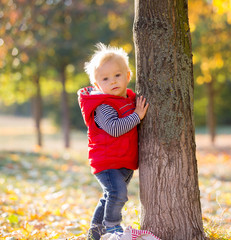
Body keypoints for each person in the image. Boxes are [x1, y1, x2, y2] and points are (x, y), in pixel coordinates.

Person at [77, 43, 149, 240]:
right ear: (97, 86)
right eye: (105, 79)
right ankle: (112, 229)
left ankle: (95, 233)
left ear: (128, 75)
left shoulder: (129, 99)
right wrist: (137, 116)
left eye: (117, 75)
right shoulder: (104, 106)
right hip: (107, 161)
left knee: (110, 197)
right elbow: (115, 129)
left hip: (124, 161)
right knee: (118, 194)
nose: (113, 81)